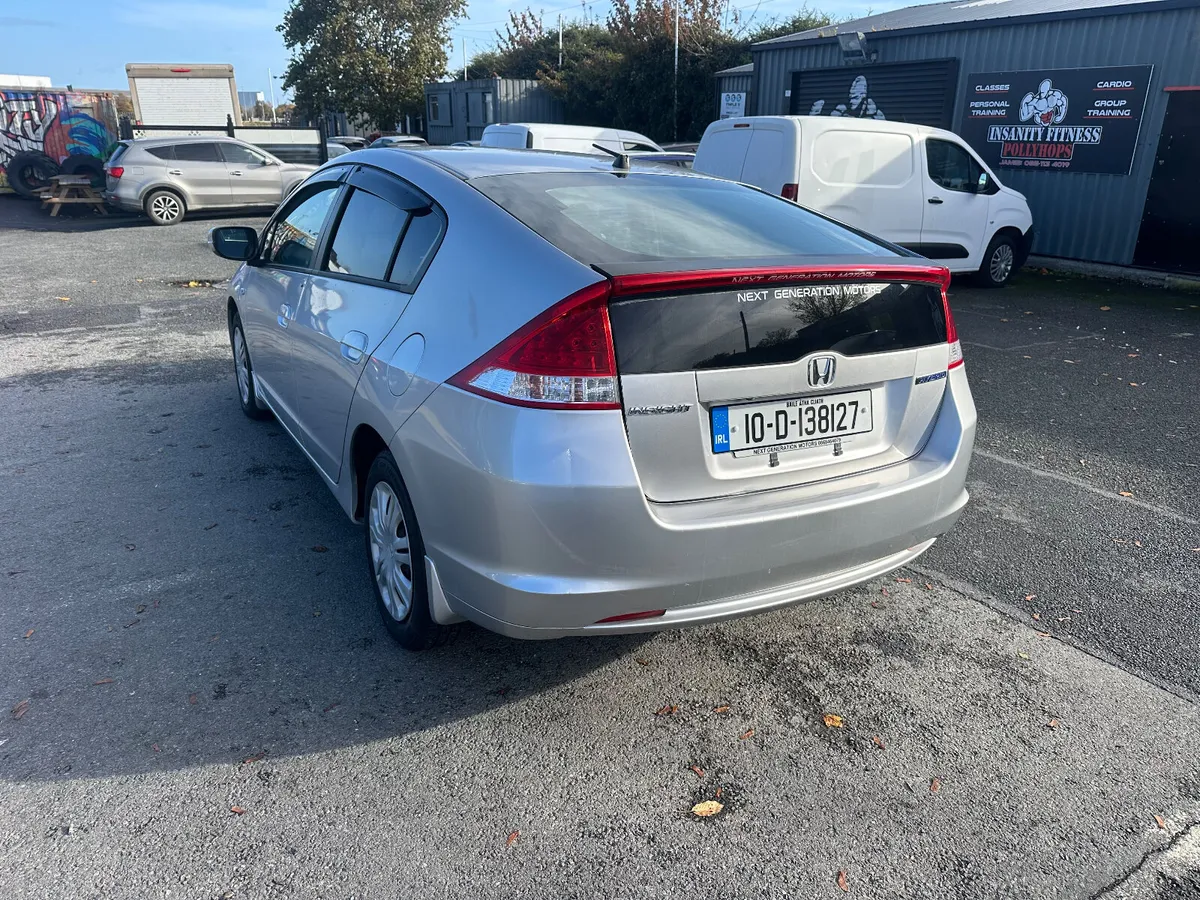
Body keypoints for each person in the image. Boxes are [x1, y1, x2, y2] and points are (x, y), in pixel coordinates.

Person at [809, 76, 885, 119]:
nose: (852, 101)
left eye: (855, 97)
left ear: (863, 96)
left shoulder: (873, 111)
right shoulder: (841, 109)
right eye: (851, 96)